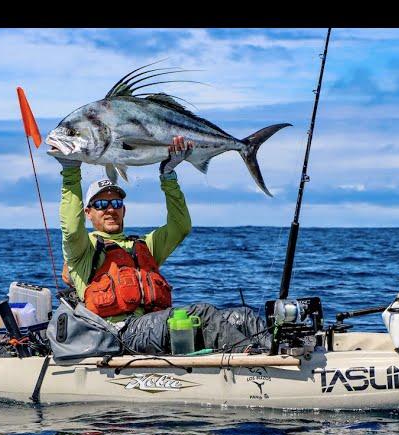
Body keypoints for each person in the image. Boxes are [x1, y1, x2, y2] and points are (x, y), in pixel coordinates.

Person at [56, 136, 271, 355]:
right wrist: (71, 172)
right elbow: (72, 229)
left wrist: (168, 176)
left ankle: (282, 355)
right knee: (203, 314)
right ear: (88, 213)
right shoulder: (83, 249)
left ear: (124, 210)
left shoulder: (143, 245)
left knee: (244, 317)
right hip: (119, 333)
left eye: (116, 203)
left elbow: (180, 226)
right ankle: (254, 361)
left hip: (155, 325)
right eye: (101, 204)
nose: (110, 209)